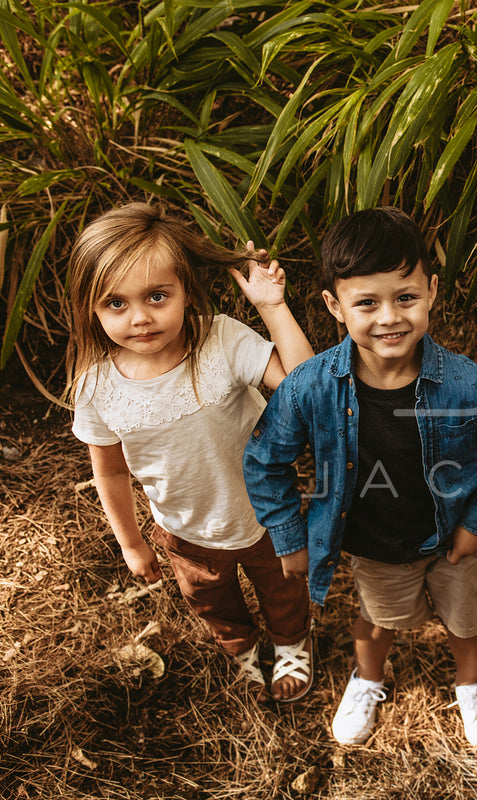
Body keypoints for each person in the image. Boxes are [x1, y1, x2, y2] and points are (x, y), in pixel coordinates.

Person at [242, 207, 477, 748]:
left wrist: (476, 524)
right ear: (335, 306)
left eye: (405, 297)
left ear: (431, 292)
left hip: (453, 539)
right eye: (366, 303)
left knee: (465, 621)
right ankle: (367, 678)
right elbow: (265, 460)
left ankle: (471, 684)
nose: (389, 317)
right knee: (378, 618)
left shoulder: (467, 385)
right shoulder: (310, 387)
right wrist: (289, 536)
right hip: (375, 545)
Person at [69, 202, 316, 701]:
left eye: (157, 296)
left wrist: (272, 308)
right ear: (91, 308)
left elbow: (302, 387)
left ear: (186, 289)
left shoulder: (221, 340)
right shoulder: (96, 387)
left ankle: (290, 641)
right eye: (115, 304)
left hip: (267, 515)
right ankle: (241, 647)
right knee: (210, 600)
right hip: (184, 529)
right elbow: (111, 473)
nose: (140, 317)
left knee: (284, 588)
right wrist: (131, 543)